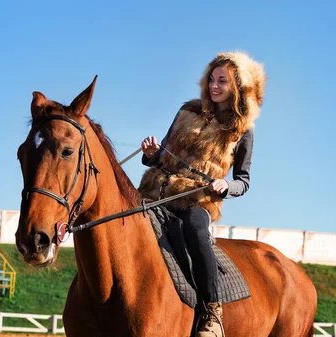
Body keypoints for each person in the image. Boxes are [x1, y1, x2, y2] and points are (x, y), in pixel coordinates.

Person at [138, 51, 265, 337]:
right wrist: (150, 155)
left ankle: (211, 311)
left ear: (239, 87)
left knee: (195, 229)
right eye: (211, 79)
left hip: (199, 198)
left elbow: (243, 182)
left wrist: (225, 186)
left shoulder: (242, 129)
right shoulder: (187, 111)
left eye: (223, 81)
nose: (214, 86)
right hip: (155, 191)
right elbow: (163, 156)